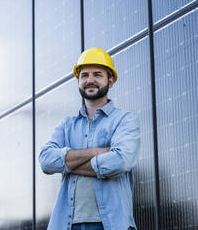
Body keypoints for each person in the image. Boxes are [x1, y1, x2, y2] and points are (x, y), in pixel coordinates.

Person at [39, 47, 141, 230]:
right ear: (78, 82)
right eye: (84, 75)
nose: (90, 80)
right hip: (66, 225)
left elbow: (120, 162)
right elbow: (46, 161)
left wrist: (68, 163)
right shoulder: (66, 125)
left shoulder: (125, 120)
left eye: (97, 74)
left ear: (110, 82)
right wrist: (97, 152)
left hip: (111, 224)